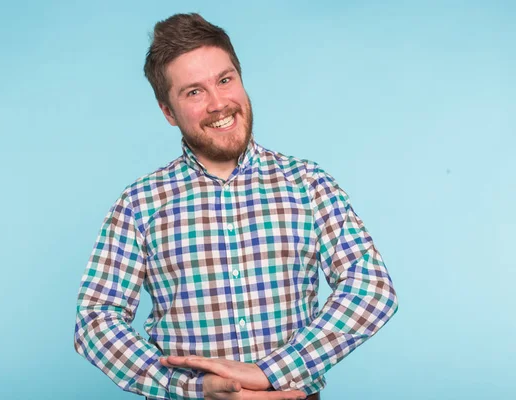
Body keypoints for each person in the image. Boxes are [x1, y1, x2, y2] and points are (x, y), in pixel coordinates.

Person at [74, 13, 398, 400]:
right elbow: (96, 320)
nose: (218, 104)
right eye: (193, 92)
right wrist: (192, 388)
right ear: (167, 111)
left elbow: (371, 287)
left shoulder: (309, 185)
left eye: (224, 81)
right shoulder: (140, 204)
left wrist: (271, 372)